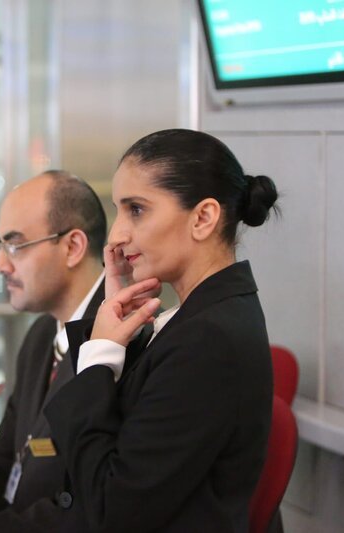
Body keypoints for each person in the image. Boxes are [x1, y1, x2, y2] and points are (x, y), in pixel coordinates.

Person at [43, 129, 279, 532]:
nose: (117, 234)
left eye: (136, 210)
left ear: (203, 218)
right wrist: (119, 336)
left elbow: (111, 508)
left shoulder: (208, 340)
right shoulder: (196, 317)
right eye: (119, 210)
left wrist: (101, 355)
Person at [0, 171, 107, 532]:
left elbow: (82, 507)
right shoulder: (41, 335)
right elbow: (4, 462)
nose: (0, 264)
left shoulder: (122, 341)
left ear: (73, 247)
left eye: (15, 245)